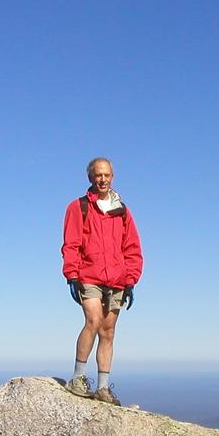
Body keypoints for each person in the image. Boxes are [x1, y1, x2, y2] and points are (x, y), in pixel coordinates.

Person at [60, 157, 143, 405]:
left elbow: (132, 248)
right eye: (98, 175)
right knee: (93, 320)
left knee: (108, 332)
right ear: (90, 178)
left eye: (106, 175)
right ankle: (77, 378)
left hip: (116, 279)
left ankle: (103, 388)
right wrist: (72, 275)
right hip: (89, 275)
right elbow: (71, 243)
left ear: (112, 177)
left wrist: (130, 280)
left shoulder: (122, 211)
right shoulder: (79, 207)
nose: (103, 179)